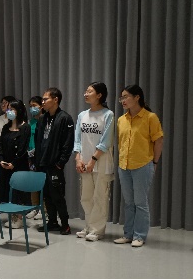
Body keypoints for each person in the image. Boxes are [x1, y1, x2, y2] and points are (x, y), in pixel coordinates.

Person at [114, 85, 163, 247]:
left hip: (143, 165)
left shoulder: (150, 117)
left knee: (140, 202)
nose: (123, 100)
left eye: (126, 97)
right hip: (124, 166)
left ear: (137, 97)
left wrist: (154, 162)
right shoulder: (121, 120)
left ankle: (140, 236)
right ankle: (128, 234)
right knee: (129, 202)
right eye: (121, 98)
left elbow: (158, 141)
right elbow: (120, 143)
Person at [73, 82, 115, 242]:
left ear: (99, 95)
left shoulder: (108, 114)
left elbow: (106, 141)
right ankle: (89, 226)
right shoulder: (82, 115)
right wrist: (78, 158)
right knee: (86, 197)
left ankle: (97, 230)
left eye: (89, 91)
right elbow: (77, 140)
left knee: (100, 197)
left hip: (101, 162)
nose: (86, 94)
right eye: (86, 91)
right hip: (84, 161)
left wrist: (93, 160)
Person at [34, 87, 75, 235]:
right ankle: (52, 222)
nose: (43, 102)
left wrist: (60, 163)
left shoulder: (65, 118)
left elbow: (68, 143)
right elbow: (38, 140)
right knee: (46, 195)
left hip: (55, 164)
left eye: (46, 99)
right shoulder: (42, 118)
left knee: (57, 196)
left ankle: (65, 224)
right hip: (42, 163)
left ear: (55, 99)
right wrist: (37, 161)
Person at [0, 100, 31, 228]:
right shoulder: (6, 127)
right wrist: (0, 160)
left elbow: (23, 149)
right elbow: (0, 145)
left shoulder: (25, 127)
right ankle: (11, 216)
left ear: (19, 111)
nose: (9, 111)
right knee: (6, 190)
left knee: (19, 192)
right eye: (8, 109)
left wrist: (14, 163)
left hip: (19, 165)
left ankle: (19, 217)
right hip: (5, 165)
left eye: (12, 109)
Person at [26, 96, 44, 220]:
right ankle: (34, 207)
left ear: (41, 106)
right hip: (31, 155)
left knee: (43, 183)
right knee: (33, 182)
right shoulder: (31, 122)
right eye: (30, 106)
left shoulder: (45, 120)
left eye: (34, 105)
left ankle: (44, 209)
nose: (32, 108)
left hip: (42, 155)